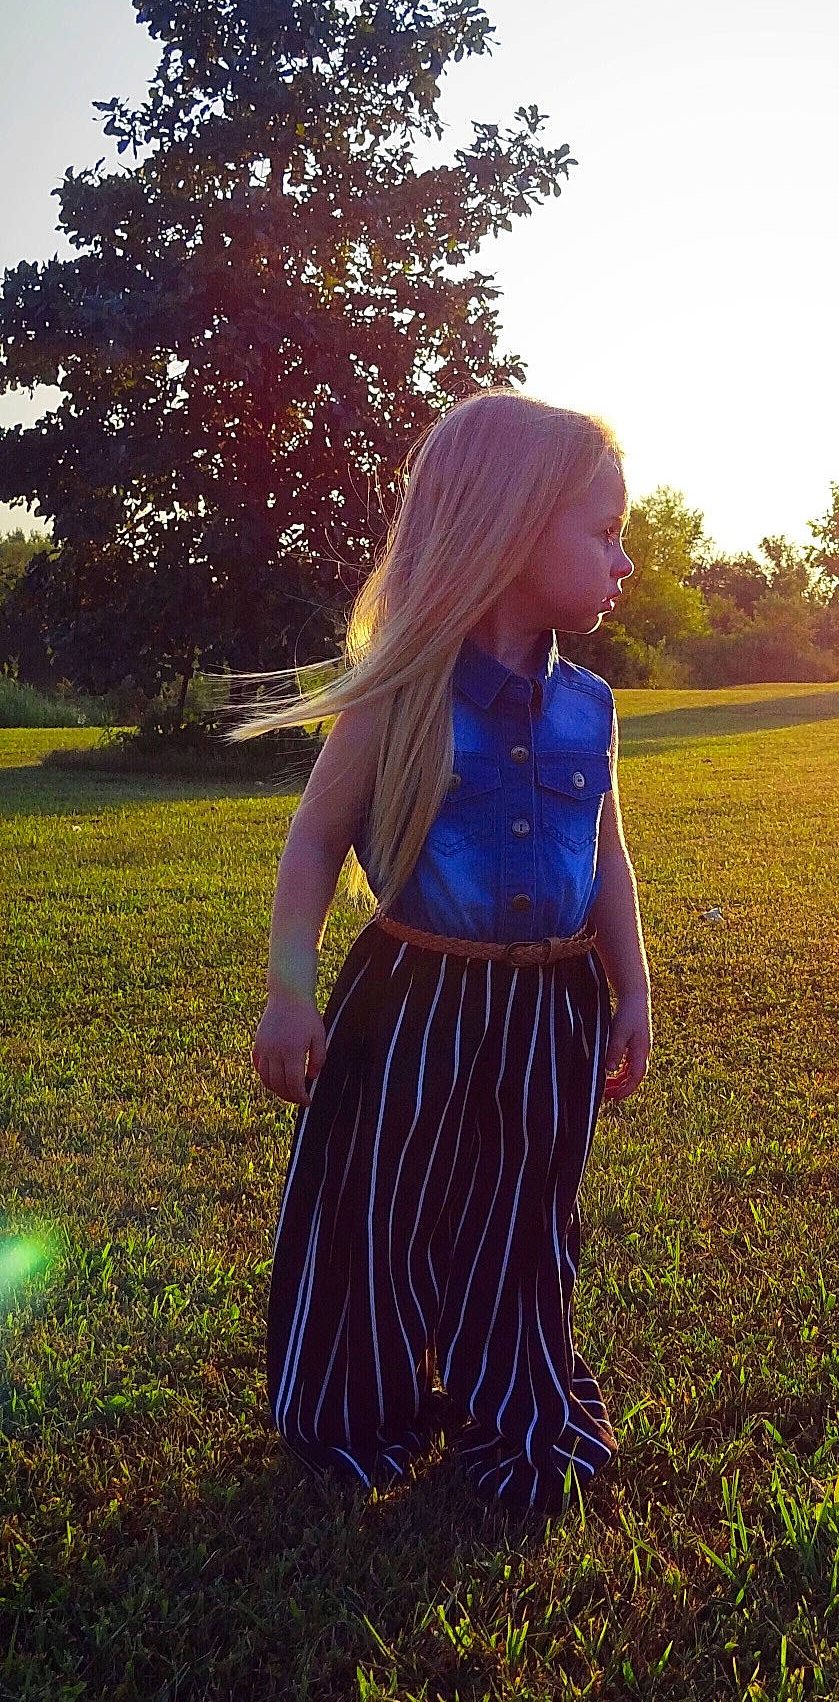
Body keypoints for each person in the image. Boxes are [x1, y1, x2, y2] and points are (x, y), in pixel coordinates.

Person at [232, 390, 651, 1511]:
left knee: (525, 1213)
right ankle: (353, 1409)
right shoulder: (399, 693)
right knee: (382, 1211)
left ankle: (517, 1403)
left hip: (549, 1008)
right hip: (412, 1002)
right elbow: (316, 840)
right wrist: (289, 995)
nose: (625, 561)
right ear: (513, 531)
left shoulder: (591, 706)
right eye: (604, 533)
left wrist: (633, 990)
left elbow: (606, 858)